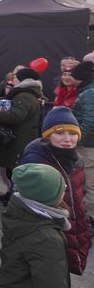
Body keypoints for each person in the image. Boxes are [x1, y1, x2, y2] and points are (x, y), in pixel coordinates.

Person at [20, 106, 91, 275]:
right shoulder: (36, 162)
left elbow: (80, 197)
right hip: (47, 236)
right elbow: (27, 206)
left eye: (72, 133)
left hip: (73, 229)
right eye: (59, 133)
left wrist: (85, 226)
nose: (67, 139)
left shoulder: (77, 160)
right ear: (47, 135)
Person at [0, 163, 70, 288]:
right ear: (47, 196)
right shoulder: (47, 239)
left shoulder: (18, 212)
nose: (65, 189)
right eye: (62, 188)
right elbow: (52, 282)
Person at [0, 68, 43, 204]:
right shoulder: (29, 94)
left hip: (19, 137)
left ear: (22, 80)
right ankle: (11, 193)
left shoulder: (24, 95)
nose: (13, 79)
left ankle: (14, 198)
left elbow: (15, 116)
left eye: (16, 77)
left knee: (14, 169)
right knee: (12, 169)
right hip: (21, 136)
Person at [69, 61, 94, 232]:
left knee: (89, 183)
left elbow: (90, 122)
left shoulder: (89, 93)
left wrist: (77, 141)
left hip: (88, 147)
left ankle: (89, 221)